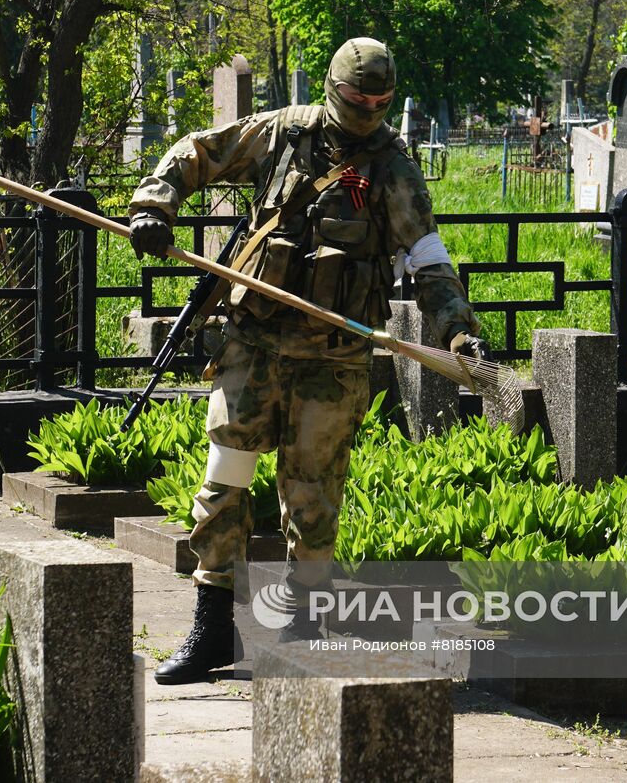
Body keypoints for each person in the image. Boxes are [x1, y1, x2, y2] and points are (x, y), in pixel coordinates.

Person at [128, 37, 487, 684]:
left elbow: (429, 259)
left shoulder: (393, 170)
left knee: (312, 501)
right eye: (358, 98)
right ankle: (213, 629)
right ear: (333, 88)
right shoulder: (282, 134)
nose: (369, 109)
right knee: (223, 482)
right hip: (253, 347)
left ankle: (301, 630)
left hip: (333, 361)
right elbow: (197, 153)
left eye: (382, 101)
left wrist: (458, 333)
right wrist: (154, 204)